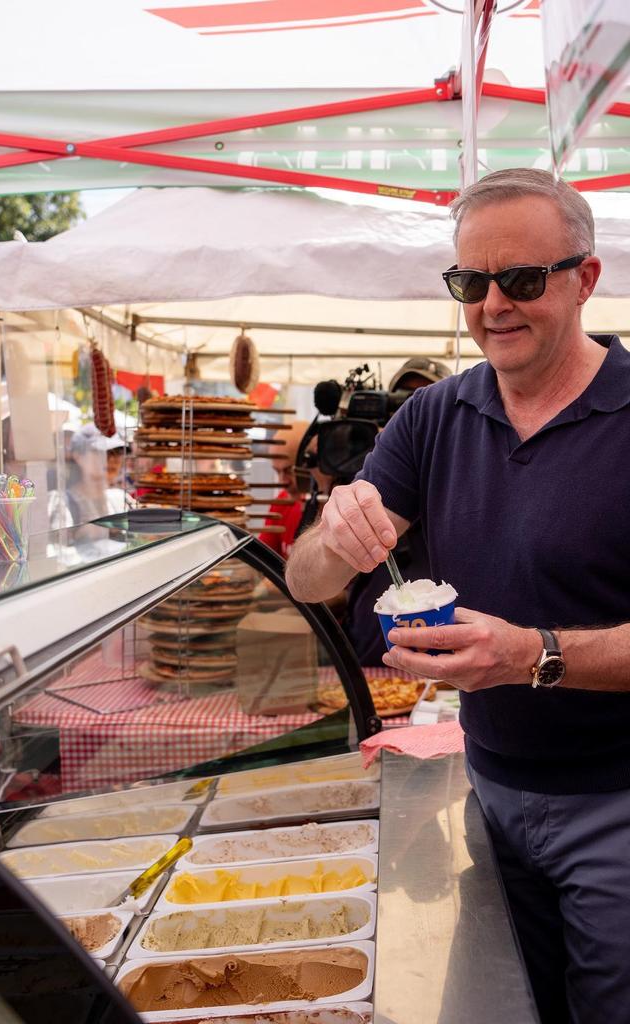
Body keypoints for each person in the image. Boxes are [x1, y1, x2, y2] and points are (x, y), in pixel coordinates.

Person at [286, 167, 630, 1024]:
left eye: (520, 280)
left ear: (585, 279)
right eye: (470, 283)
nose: (492, 307)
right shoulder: (432, 417)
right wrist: (336, 535)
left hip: (619, 807)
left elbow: (533, 648)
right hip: (489, 790)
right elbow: (303, 580)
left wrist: (533, 654)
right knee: (505, 1005)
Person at [345, 359, 451, 665]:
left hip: (441, 652)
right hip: (371, 646)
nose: (409, 406)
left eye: (422, 396)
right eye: (400, 398)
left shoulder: (448, 463)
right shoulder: (373, 460)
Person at [257, 419, 309, 559]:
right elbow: (263, 559)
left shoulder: (334, 507)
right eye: (277, 471)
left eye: (289, 471)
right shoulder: (280, 504)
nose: (282, 481)